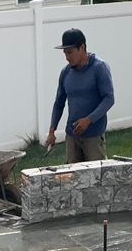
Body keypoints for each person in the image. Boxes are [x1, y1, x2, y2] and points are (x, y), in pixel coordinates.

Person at [45, 29, 115, 163]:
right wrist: (52, 131)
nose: (67, 57)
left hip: (93, 136)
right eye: (65, 53)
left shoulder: (99, 68)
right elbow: (59, 103)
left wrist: (89, 120)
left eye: (70, 52)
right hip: (72, 137)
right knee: (73, 176)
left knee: (96, 176)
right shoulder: (66, 72)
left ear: (82, 47)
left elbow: (109, 98)